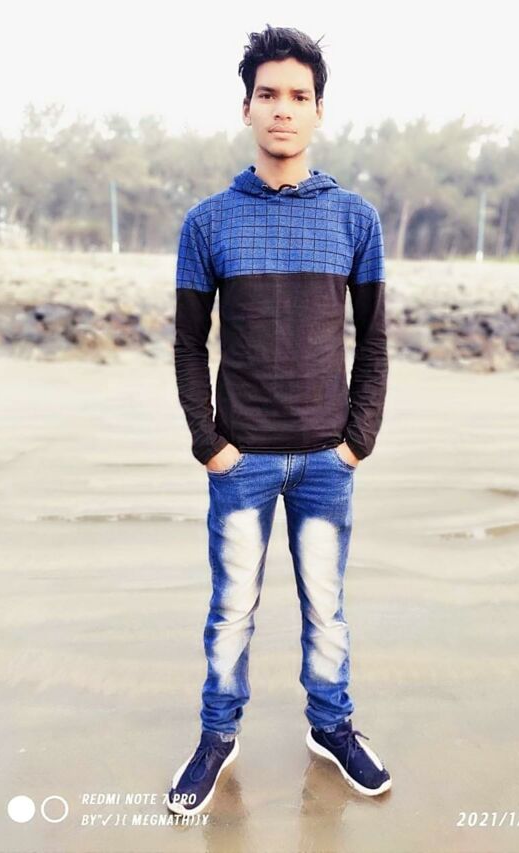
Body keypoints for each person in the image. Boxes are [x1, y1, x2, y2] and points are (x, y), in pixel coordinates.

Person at [167, 24, 391, 817]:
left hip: (328, 459)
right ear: (247, 108)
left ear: (319, 110)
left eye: (299, 96)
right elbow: (188, 343)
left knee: (326, 607)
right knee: (232, 607)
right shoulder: (208, 222)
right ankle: (216, 735)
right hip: (243, 459)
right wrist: (210, 443)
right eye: (269, 95)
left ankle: (332, 726)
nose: (283, 109)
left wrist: (357, 441)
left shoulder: (355, 219)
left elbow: (374, 339)